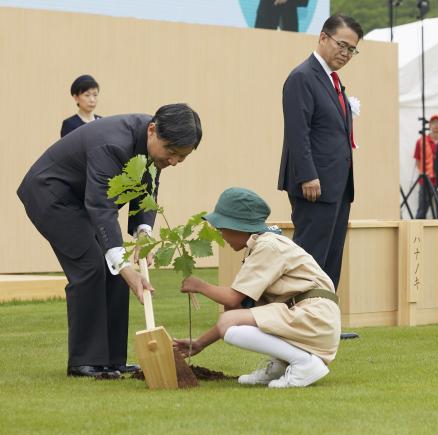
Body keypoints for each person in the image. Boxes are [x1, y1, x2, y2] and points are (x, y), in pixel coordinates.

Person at [17, 104, 202, 377]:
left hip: (83, 200)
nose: (173, 161)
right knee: (92, 265)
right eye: (172, 152)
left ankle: (113, 360)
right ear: (152, 130)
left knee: (115, 269)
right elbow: (101, 207)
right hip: (50, 195)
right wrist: (126, 267)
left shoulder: (154, 149)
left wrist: (144, 235)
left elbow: (145, 191)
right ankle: (84, 362)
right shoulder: (113, 145)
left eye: (182, 157)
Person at [174, 187, 340, 388]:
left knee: (231, 321)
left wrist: (199, 285)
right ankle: (281, 365)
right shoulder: (262, 245)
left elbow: (231, 298)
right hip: (307, 316)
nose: (221, 234)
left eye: (221, 226)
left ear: (237, 225)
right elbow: (236, 307)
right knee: (234, 314)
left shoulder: (267, 246)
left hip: (314, 317)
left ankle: (305, 364)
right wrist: (199, 343)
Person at [277, 14, 363, 289]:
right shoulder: (302, 77)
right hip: (314, 185)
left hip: (337, 186)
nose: (346, 53)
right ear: (323, 37)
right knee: (309, 258)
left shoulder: (332, 81)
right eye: (342, 44)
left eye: (352, 49)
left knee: (331, 258)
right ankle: (301, 320)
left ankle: (323, 323)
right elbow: (297, 131)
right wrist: (307, 176)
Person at [413, 114, 438, 219]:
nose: (436, 126)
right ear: (429, 125)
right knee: (422, 209)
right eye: (433, 123)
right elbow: (417, 159)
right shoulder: (421, 141)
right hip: (425, 180)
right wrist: (423, 172)